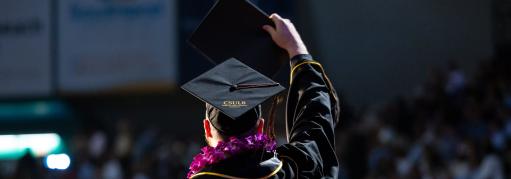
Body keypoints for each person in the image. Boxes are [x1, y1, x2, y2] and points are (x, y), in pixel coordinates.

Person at [186, 13, 340, 178]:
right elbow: (315, 127)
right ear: (260, 127)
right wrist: (296, 50)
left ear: (207, 129)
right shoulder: (293, 169)